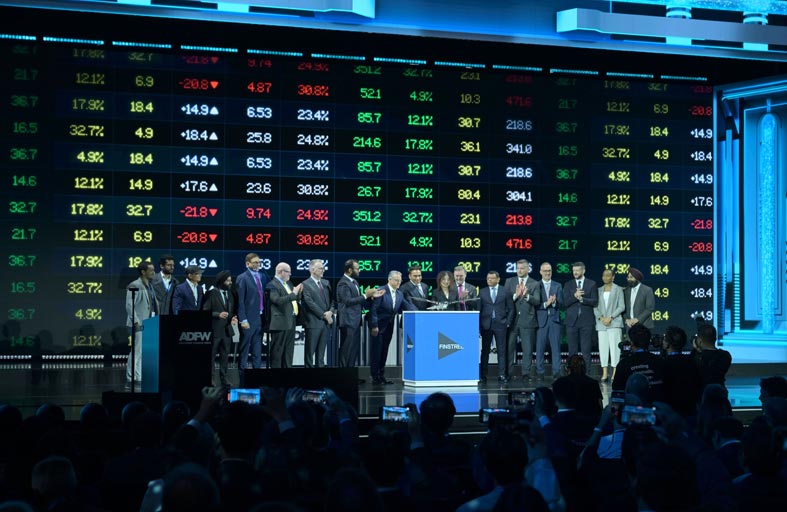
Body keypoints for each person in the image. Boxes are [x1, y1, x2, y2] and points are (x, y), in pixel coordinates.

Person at [335, 259, 385, 377]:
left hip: (356, 321)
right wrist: (365, 295)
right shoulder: (343, 283)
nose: (359, 270)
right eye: (357, 268)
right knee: (346, 350)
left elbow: (358, 301)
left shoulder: (355, 282)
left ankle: (350, 376)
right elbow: (347, 301)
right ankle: (343, 376)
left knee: (353, 350)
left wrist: (371, 297)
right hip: (348, 321)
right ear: (349, 270)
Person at [367, 270, 416, 384]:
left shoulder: (399, 294)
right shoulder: (381, 291)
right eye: (396, 280)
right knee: (377, 352)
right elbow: (374, 310)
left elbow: (408, 306)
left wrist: (420, 313)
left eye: (400, 280)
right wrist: (374, 326)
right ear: (389, 280)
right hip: (378, 327)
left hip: (389, 327)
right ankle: (375, 376)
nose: (399, 282)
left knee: (384, 351)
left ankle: (381, 375)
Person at [504, 259, 541, 381]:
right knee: (509, 349)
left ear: (528, 269)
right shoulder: (510, 281)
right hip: (512, 321)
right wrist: (515, 295)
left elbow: (537, 301)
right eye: (518, 268)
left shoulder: (534, 283)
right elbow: (504, 300)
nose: (519, 271)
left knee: (527, 349)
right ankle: (508, 373)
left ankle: (526, 373)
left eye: (522, 268)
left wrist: (526, 296)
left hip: (528, 320)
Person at [611, 324, 665, 402]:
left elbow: (617, 392)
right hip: (658, 405)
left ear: (632, 343)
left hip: (631, 407)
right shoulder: (659, 361)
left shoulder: (624, 364)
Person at [236, 253, 270, 374]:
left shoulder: (262, 277)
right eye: (255, 262)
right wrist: (243, 319)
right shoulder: (242, 278)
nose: (258, 264)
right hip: (248, 319)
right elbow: (240, 300)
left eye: (259, 262)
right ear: (248, 264)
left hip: (260, 317)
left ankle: (257, 375)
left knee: (257, 349)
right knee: (245, 348)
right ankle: (242, 375)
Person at [125, 260, 158, 383]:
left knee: (142, 352)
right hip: (138, 323)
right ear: (143, 272)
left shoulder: (149, 285)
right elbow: (129, 305)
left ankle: (138, 376)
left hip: (148, 323)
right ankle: (131, 377)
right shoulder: (135, 285)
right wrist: (136, 321)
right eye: (151, 270)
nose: (154, 272)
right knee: (137, 351)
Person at [479, 270, 514, 384]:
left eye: (492, 278)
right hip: (486, 325)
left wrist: (507, 322)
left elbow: (511, 308)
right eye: (488, 278)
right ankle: (483, 375)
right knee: (485, 351)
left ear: (498, 279)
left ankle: (502, 375)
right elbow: (479, 309)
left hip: (501, 324)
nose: (489, 280)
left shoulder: (505, 291)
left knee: (502, 350)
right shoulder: (482, 292)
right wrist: (479, 325)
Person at [202, 270, 236, 386]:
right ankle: (211, 379)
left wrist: (232, 318)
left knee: (225, 356)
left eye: (230, 280)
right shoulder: (211, 293)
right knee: (211, 356)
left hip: (226, 331)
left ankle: (224, 378)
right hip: (214, 330)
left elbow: (230, 312)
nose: (230, 282)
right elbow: (205, 311)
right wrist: (218, 314)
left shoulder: (230, 294)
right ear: (221, 281)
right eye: (228, 281)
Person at [265, 262, 303, 368]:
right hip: (280, 324)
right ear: (280, 272)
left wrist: (298, 293)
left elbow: (293, 299)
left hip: (291, 321)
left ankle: (287, 375)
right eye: (288, 272)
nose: (290, 274)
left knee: (288, 352)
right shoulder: (272, 285)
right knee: (277, 353)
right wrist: (294, 294)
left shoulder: (289, 284)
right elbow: (277, 301)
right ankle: (276, 376)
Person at [563, 261, 598, 371]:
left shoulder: (591, 284)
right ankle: (572, 373)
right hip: (571, 322)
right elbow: (565, 303)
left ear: (583, 271)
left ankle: (586, 374)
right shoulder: (568, 284)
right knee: (572, 351)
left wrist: (582, 299)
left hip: (586, 322)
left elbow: (595, 301)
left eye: (577, 270)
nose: (575, 272)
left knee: (586, 351)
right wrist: (575, 296)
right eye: (574, 270)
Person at [661, 325, 702, 418]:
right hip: (690, 411)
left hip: (669, 413)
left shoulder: (662, 364)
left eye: (664, 339)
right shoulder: (692, 362)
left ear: (667, 344)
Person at [300, 259, 334, 368]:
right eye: (320, 268)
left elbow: (333, 300)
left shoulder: (326, 283)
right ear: (312, 270)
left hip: (325, 324)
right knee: (310, 353)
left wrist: (331, 312)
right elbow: (309, 303)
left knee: (321, 355)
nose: (323, 270)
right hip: (313, 323)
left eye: (323, 268)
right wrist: (324, 315)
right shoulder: (305, 284)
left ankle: (320, 375)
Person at [594, 268, 625, 383]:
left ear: (613, 277)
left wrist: (611, 317)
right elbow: (595, 307)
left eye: (608, 275)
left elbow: (621, 306)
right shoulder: (598, 290)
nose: (605, 277)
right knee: (603, 348)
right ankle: (605, 372)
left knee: (615, 349)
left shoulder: (618, 289)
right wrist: (602, 318)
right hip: (601, 323)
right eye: (603, 275)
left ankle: (615, 372)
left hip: (614, 322)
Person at [535, 262, 562, 380]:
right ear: (540, 272)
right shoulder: (536, 285)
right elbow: (535, 304)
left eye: (549, 271)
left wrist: (554, 302)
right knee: (540, 348)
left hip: (554, 320)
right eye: (545, 271)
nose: (547, 273)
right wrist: (546, 304)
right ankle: (540, 372)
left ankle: (556, 372)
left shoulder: (558, 285)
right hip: (541, 321)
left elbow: (562, 303)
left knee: (556, 348)